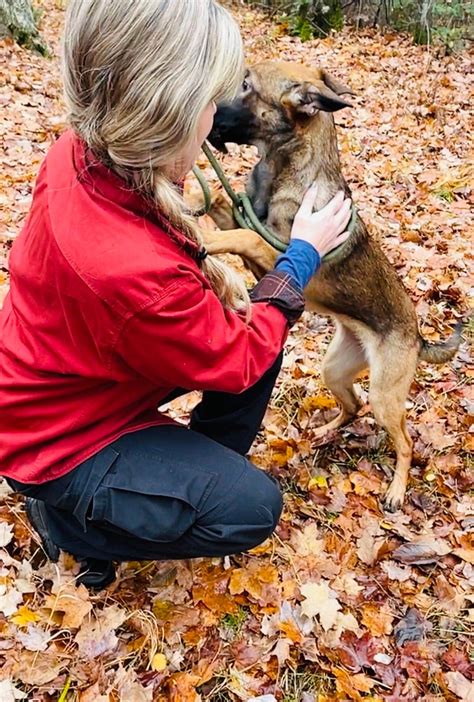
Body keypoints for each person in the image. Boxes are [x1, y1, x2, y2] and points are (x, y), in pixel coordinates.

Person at [0, 0, 352, 589]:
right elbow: (231, 352)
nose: (218, 114)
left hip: (70, 367)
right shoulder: (132, 272)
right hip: (55, 437)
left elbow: (236, 337)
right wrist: (301, 255)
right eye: (208, 103)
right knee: (251, 507)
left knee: (259, 335)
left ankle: (179, 477)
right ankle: (66, 520)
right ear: (165, 113)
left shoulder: (85, 151)